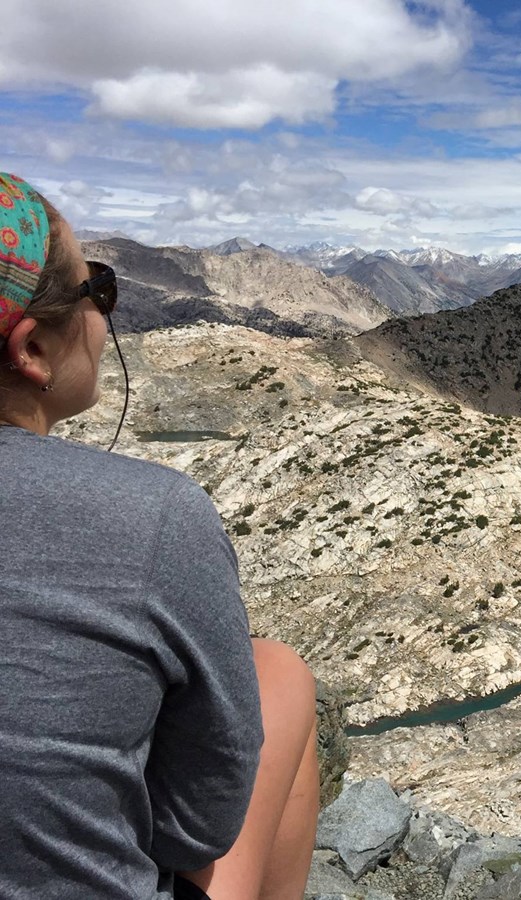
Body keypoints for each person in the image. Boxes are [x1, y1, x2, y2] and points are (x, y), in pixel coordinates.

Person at [0, 171, 319, 900]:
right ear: (33, 352)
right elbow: (197, 830)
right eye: (98, 292)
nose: (106, 318)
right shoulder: (155, 514)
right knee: (281, 674)